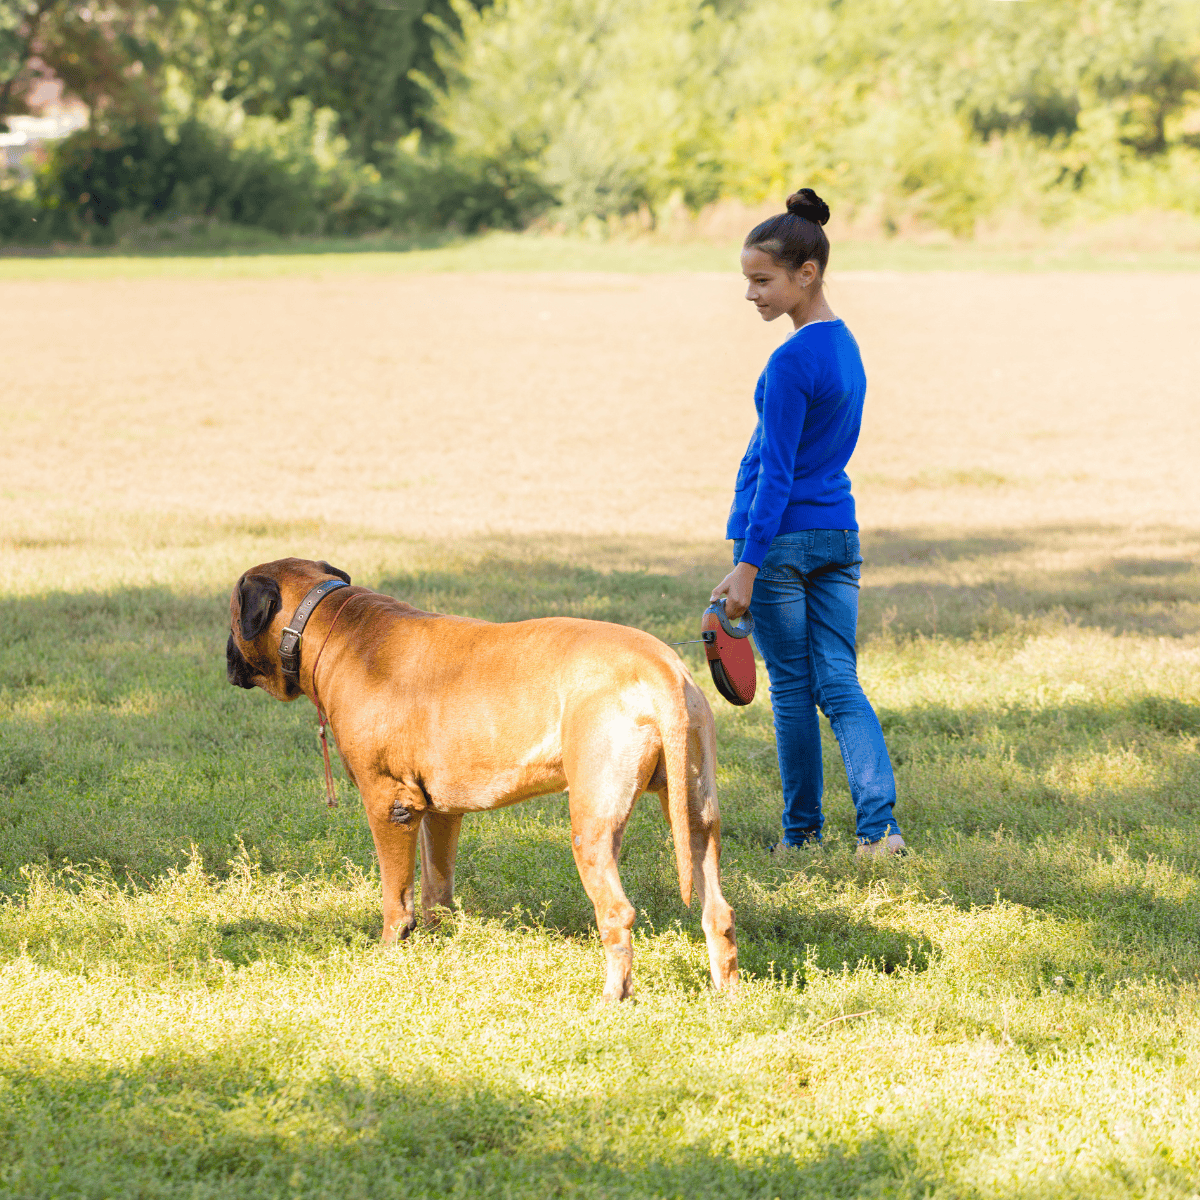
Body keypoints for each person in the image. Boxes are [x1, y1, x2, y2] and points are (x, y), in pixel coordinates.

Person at [709, 188, 905, 858]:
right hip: (839, 536)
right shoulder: (845, 346)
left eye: (761, 281)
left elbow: (777, 474)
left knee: (794, 690)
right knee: (840, 682)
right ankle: (880, 831)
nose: (751, 295)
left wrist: (749, 562)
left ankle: (802, 835)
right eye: (748, 281)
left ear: (806, 274)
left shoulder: (791, 360)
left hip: (783, 542)